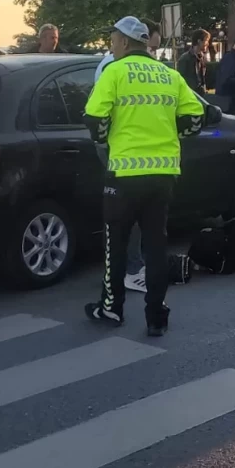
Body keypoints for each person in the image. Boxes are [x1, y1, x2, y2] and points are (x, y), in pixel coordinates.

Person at [83, 16, 204, 336]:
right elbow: (194, 119)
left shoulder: (115, 72)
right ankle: (155, 315)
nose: (111, 45)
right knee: (155, 244)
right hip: (163, 174)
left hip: (123, 174)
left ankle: (111, 308)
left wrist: (107, 137)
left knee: (116, 244)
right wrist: (169, 131)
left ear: (124, 42)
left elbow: (94, 118)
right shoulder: (169, 74)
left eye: (112, 40)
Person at [94, 19, 163, 293]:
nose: (152, 53)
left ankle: (126, 272)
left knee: (126, 215)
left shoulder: (117, 66)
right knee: (128, 215)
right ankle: (132, 270)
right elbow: (100, 113)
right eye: (150, 47)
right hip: (121, 150)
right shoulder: (114, 68)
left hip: (125, 149)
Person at [175, 29, 210, 95]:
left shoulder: (201, 57)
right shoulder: (184, 59)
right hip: (189, 95)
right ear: (199, 41)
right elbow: (180, 79)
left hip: (200, 95)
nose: (207, 43)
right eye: (206, 40)